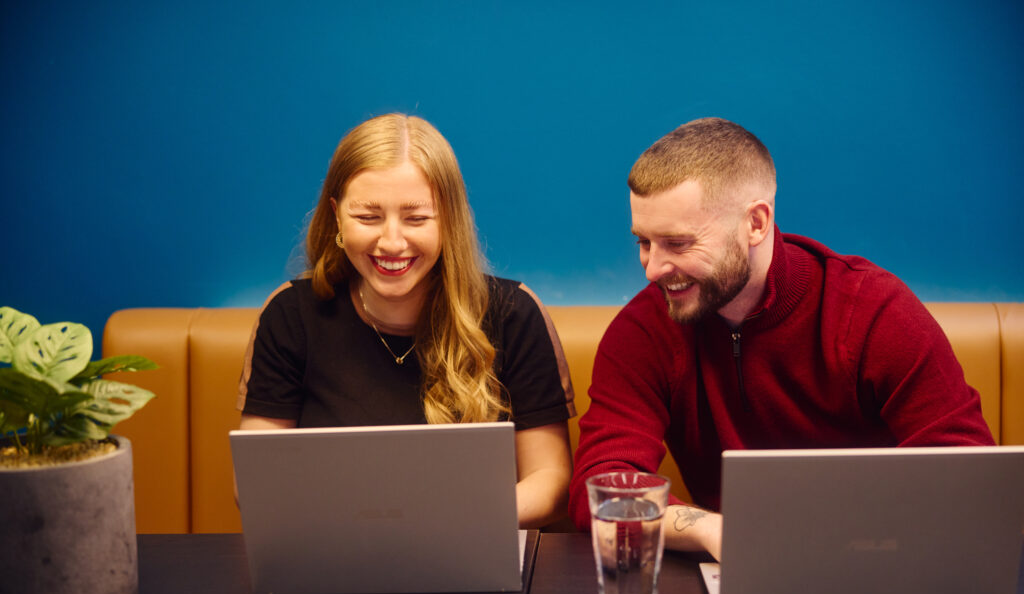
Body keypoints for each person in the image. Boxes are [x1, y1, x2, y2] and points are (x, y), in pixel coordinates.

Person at [569, 117, 994, 558]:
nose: (653, 268)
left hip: (881, 559)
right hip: (731, 567)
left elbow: (967, 473)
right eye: (644, 242)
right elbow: (598, 489)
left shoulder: (872, 310)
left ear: (755, 223)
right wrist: (709, 531)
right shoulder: (644, 329)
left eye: (677, 244)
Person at [237, 113, 575, 528]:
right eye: (368, 217)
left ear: (448, 220)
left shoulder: (513, 313)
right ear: (337, 215)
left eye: (416, 218)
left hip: (472, 549)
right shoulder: (291, 315)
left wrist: (449, 520)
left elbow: (552, 481)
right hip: (337, 555)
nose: (392, 242)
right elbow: (255, 484)